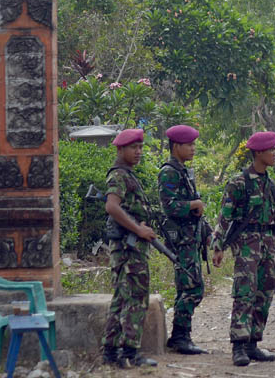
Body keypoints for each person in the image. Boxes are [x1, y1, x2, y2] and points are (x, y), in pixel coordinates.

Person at [211, 131, 275, 367]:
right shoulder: (238, 182)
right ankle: (239, 346)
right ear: (258, 153)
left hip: (268, 244)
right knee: (244, 293)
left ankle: (253, 343)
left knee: (264, 293)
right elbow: (225, 216)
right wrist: (218, 246)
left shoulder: (271, 185)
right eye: (271, 150)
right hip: (247, 245)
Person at [101, 128, 158, 368]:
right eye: (133, 148)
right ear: (120, 149)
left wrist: (140, 224)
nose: (138, 152)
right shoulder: (119, 176)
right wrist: (138, 229)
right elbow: (112, 207)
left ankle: (111, 352)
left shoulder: (127, 174)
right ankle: (131, 352)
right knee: (136, 298)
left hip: (129, 246)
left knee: (122, 299)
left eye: (141, 147)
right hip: (127, 248)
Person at [158, 124, 212, 355]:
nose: (193, 148)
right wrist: (193, 205)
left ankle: (181, 336)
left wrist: (207, 233)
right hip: (181, 241)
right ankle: (180, 336)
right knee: (193, 288)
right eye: (189, 144)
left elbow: (195, 208)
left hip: (191, 238)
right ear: (176, 146)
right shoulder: (169, 171)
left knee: (187, 288)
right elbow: (169, 207)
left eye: (193, 144)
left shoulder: (182, 170)